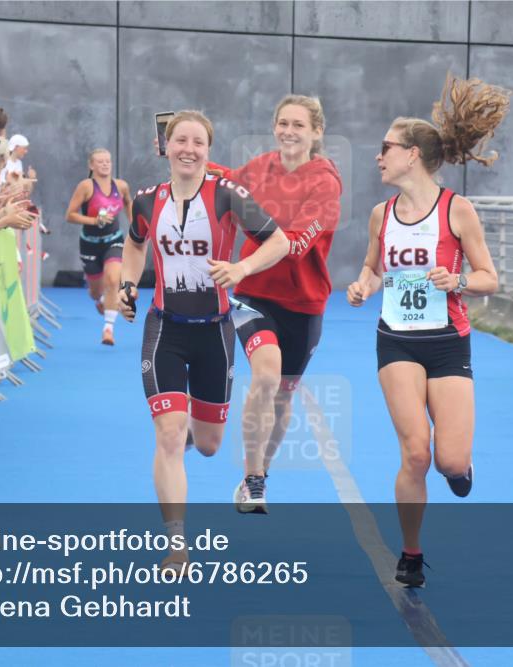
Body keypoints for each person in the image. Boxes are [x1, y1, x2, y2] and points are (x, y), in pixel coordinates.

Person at [346, 75, 508, 587]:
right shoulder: (380, 215)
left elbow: (489, 279)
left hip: (447, 341)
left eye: (386, 148)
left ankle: (461, 469)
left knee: (447, 461)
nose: (379, 156)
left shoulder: (456, 210)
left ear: (412, 155)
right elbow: (372, 269)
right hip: (395, 339)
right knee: (415, 451)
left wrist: (456, 279)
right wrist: (362, 286)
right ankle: (411, 553)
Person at [118, 110, 289, 569]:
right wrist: (127, 285)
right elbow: (134, 244)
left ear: (208, 151)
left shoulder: (227, 196)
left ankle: (197, 427)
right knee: (169, 436)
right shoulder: (146, 200)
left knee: (210, 445)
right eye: (180, 141)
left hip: (215, 331)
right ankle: (177, 545)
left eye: (198, 142)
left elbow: (280, 242)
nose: (188, 149)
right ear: (166, 146)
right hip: (165, 329)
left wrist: (241, 268)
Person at [206, 95, 342, 514]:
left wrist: (252, 255)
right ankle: (253, 479)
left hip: (303, 302)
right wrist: (189, 160)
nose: (288, 131)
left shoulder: (326, 182)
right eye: (283, 123)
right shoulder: (260, 166)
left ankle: (261, 469)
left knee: (282, 396)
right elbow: (226, 181)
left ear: (316, 132)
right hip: (253, 294)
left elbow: (297, 242)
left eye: (299, 125)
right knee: (265, 375)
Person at [65, 148, 133, 345]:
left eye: (108, 161)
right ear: (91, 165)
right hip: (90, 244)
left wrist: (134, 226)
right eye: (100, 161)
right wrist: (95, 221)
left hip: (114, 240)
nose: (105, 164)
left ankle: (108, 329)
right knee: (96, 291)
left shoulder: (121, 186)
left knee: (113, 280)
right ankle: (101, 301)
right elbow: (70, 215)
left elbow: (129, 203)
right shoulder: (86, 186)